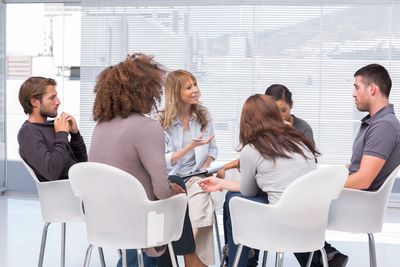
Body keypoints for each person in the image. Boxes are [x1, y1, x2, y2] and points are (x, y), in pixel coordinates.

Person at [89, 54, 204, 267]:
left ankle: (187, 259)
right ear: (145, 90)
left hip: (101, 219)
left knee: (173, 183)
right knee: (175, 185)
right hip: (138, 220)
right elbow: (161, 190)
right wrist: (173, 191)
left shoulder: (101, 126)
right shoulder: (146, 127)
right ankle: (190, 258)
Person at [297, 63, 400, 267]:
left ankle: (324, 258)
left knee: (289, 205)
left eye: (356, 87)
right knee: (291, 200)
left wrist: (323, 187)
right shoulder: (376, 123)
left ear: (372, 89)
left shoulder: (384, 126)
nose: (353, 94)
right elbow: (356, 165)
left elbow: (364, 179)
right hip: (353, 200)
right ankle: (327, 256)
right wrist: (328, 175)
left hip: (357, 205)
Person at [199, 94, 319, 267]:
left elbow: (248, 192)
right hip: (312, 220)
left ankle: (238, 262)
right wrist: (221, 184)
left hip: (280, 222)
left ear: (247, 121)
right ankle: (241, 260)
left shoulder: (252, 149)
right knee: (233, 198)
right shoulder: (299, 140)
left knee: (234, 201)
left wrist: (224, 186)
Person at [160, 69, 218, 266]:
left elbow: (212, 149)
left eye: (195, 85)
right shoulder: (161, 121)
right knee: (196, 209)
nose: (195, 90)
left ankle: (186, 254)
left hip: (196, 176)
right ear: (176, 93)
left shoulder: (203, 115)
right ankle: (191, 259)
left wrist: (205, 166)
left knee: (201, 199)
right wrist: (190, 147)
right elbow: (165, 160)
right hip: (171, 180)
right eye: (189, 87)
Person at [17, 76, 87, 182]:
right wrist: (62, 134)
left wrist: (75, 134)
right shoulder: (28, 133)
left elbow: (81, 164)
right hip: (65, 191)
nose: (58, 102)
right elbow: (52, 172)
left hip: (80, 185)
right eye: (52, 98)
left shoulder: (53, 126)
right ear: (34, 102)